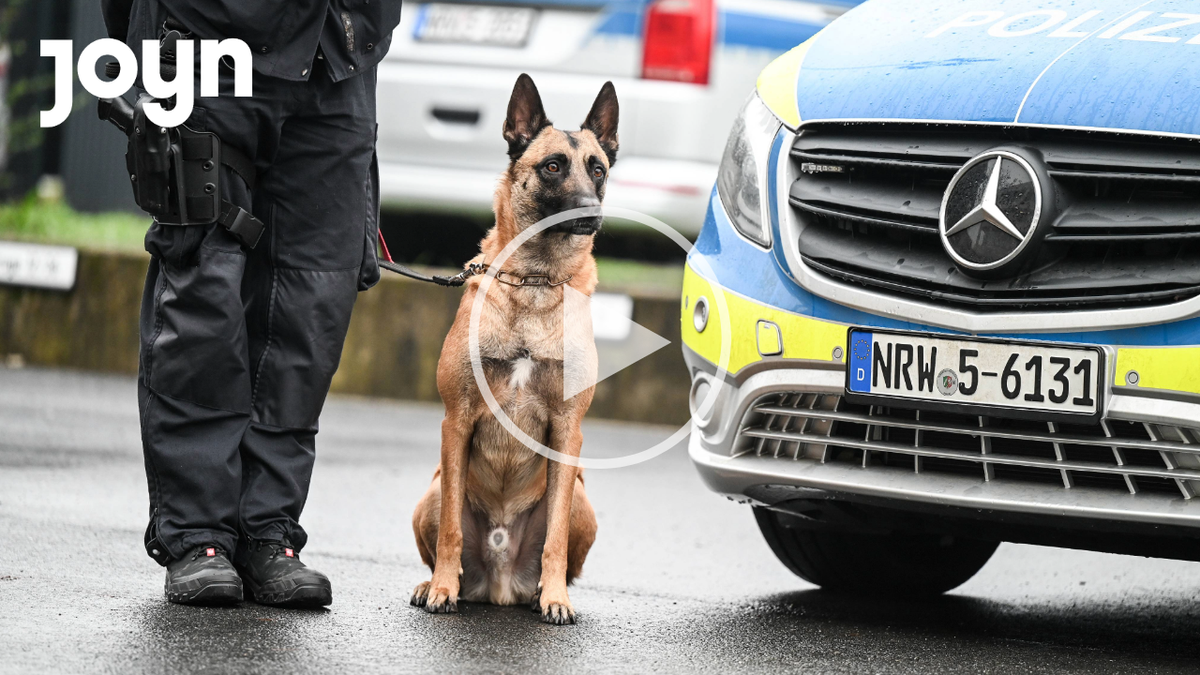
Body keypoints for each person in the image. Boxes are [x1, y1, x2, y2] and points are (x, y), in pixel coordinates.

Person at [105, 0, 402, 607]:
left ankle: (267, 531)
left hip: (341, 47)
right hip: (208, 39)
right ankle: (198, 535)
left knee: (312, 299)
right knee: (203, 286)